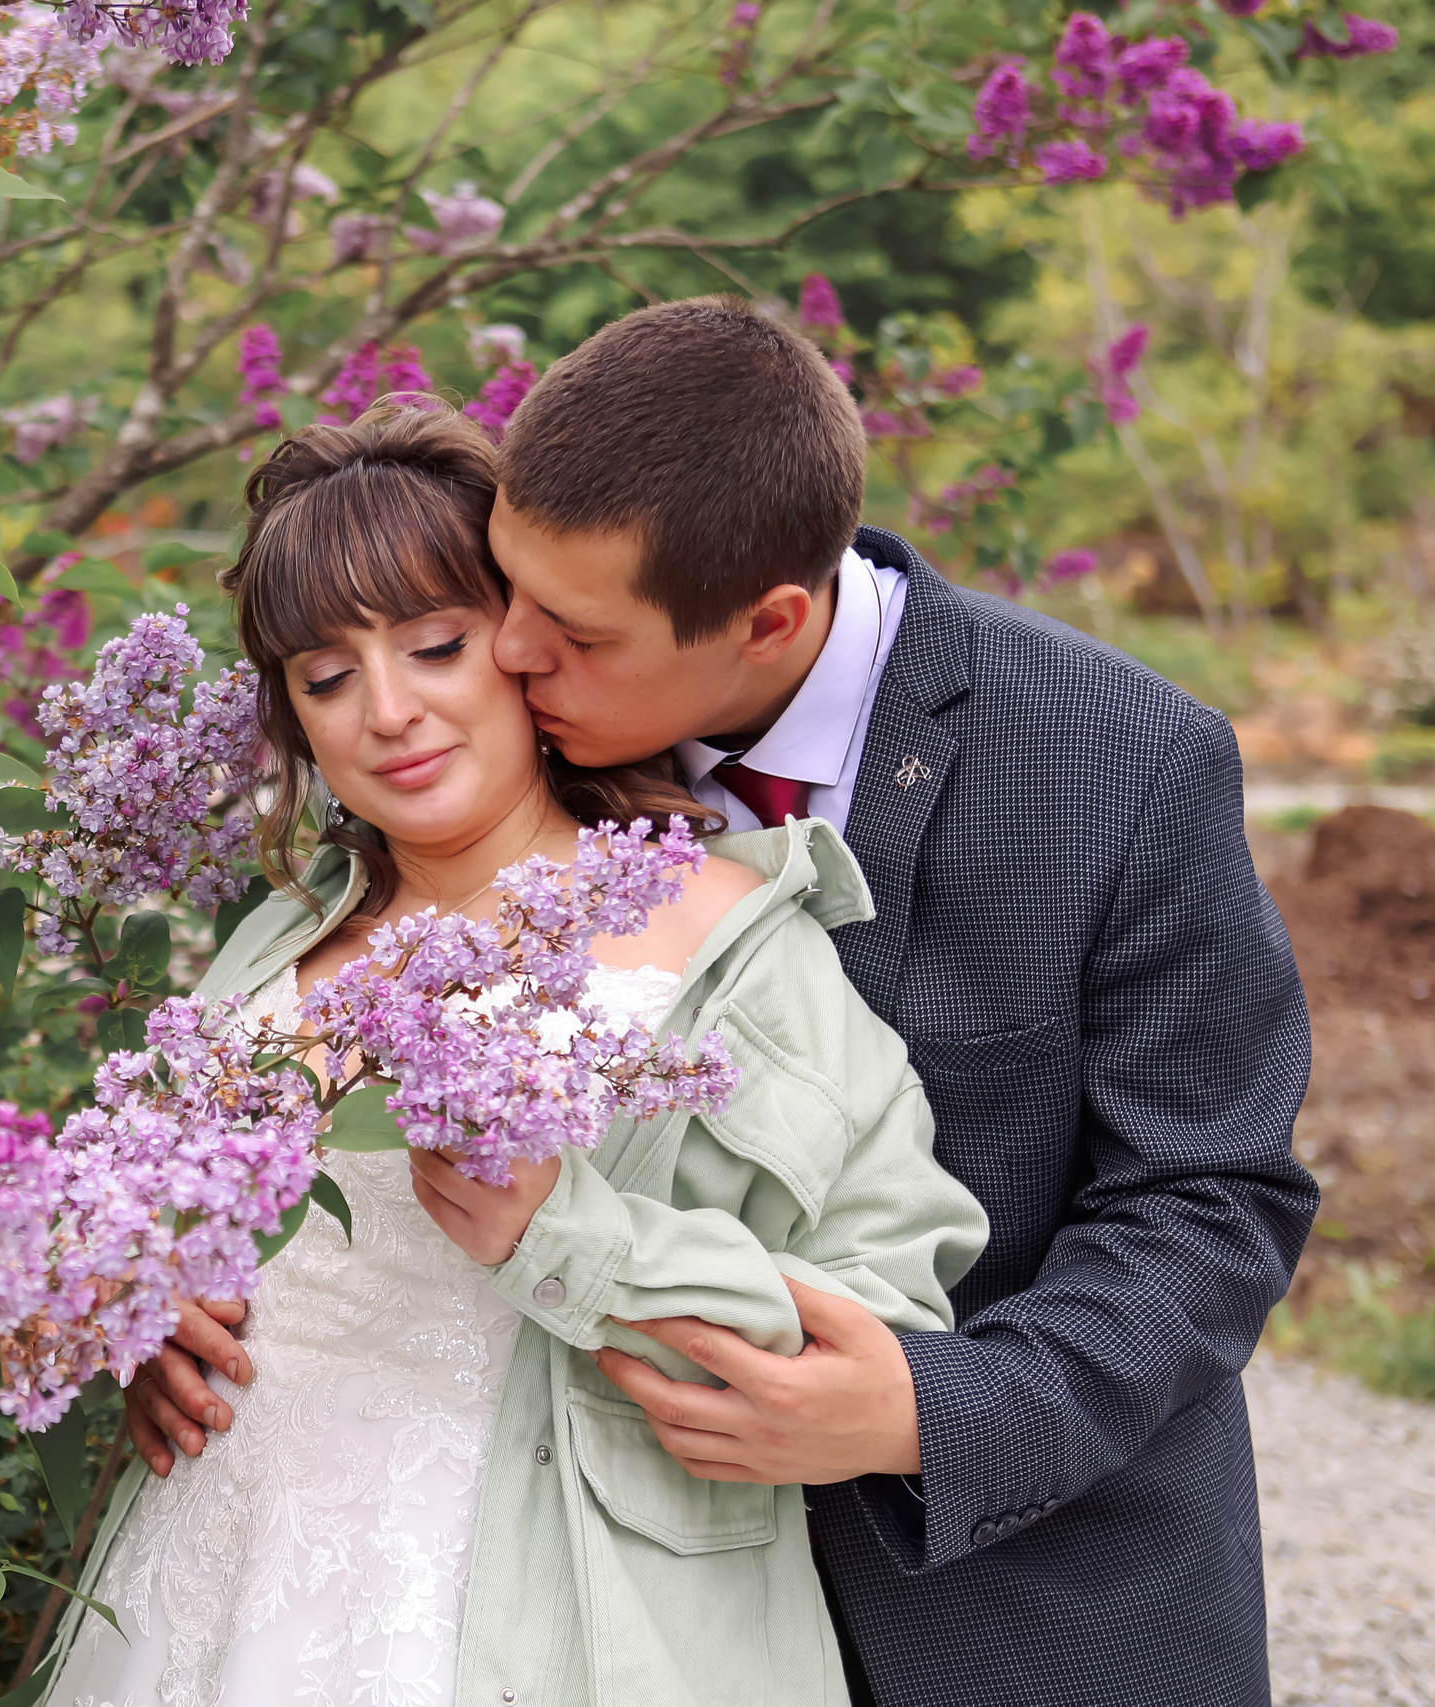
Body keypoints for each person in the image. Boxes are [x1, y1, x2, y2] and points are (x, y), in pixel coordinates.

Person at [129, 299, 1319, 1706]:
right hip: (512, 1580)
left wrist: (929, 1412)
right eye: (502, 595)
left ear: (768, 625)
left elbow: (1209, 1197)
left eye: (565, 632)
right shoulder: (421, 815)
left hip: (994, 1597)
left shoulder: (1116, 760)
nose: (509, 650)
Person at [48, 402, 988, 1707]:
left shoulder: (731, 943)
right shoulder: (277, 941)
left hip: (548, 1620)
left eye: (437, 646)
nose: (388, 712)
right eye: (326, 676)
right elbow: (150, 1212)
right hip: (209, 1590)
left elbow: (886, 1318)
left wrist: (572, 1236)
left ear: (528, 648)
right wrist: (139, 1303)